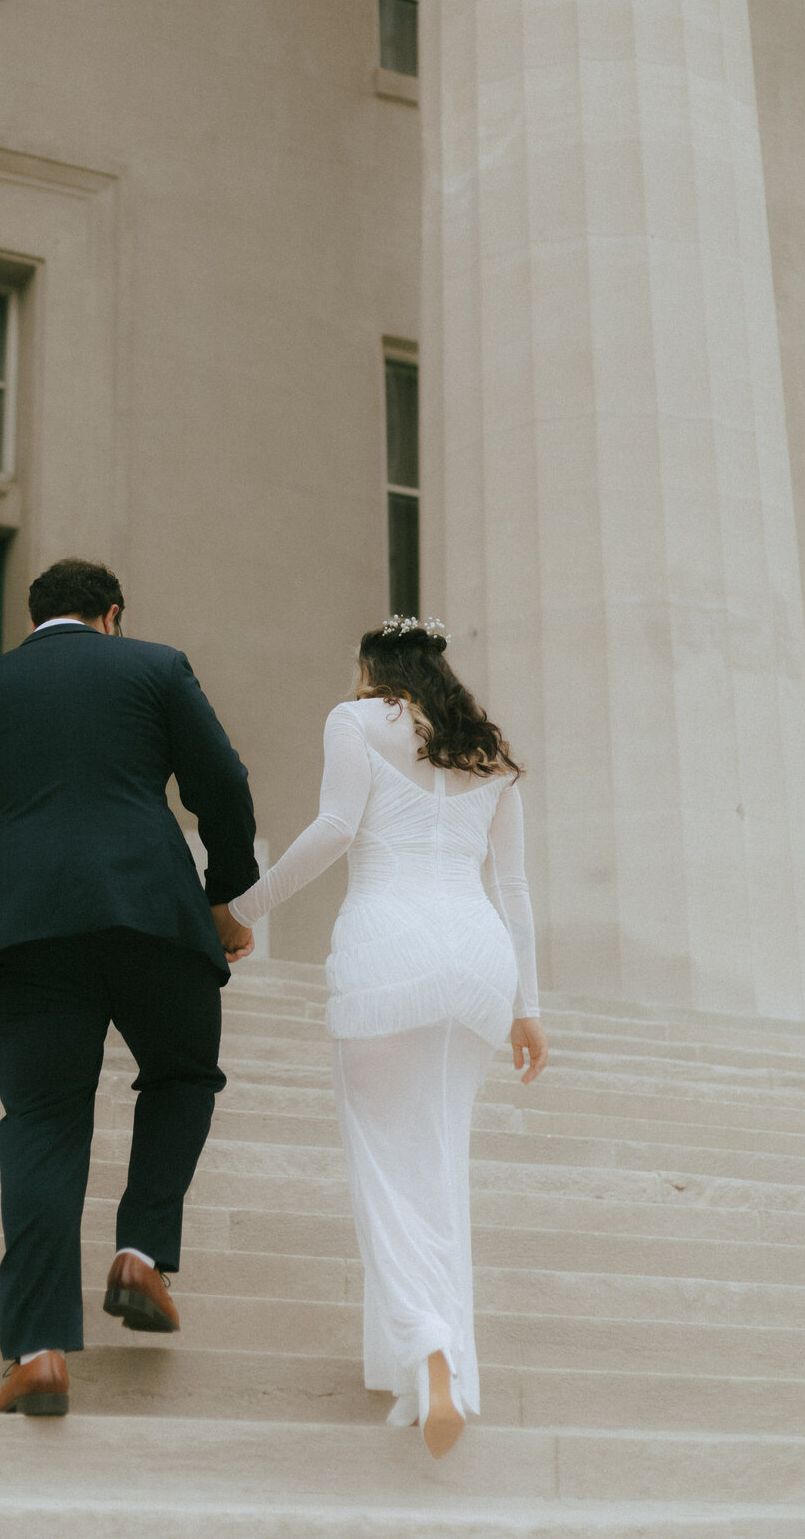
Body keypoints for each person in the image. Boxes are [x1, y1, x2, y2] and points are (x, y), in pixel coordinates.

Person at [0, 558, 257, 1417]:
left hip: (28, 934)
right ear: (112, 615)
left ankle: (40, 1351)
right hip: (153, 914)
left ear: (35, 618)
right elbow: (223, 785)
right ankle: (141, 1253)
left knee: (45, 1125)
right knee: (183, 1073)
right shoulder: (155, 666)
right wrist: (222, 894)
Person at [228, 615, 547, 1459]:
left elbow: (335, 830)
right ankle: (426, 1379)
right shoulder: (488, 753)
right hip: (479, 965)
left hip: (387, 950)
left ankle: (430, 1347)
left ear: (374, 666)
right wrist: (531, 1007)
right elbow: (511, 886)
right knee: (440, 1167)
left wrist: (243, 910)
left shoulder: (354, 719)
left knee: (382, 1168)